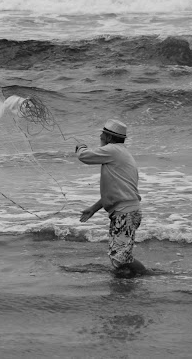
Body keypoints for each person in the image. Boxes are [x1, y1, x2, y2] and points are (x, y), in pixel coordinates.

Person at [75, 119, 147, 277]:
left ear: (109, 137)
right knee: (118, 257)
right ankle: (126, 280)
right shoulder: (121, 153)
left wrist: (80, 146)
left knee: (120, 258)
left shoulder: (113, 150)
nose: (100, 137)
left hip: (125, 213)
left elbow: (84, 156)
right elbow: (117, 192)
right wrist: (93, 209)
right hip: (126, 211)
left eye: (102, 134)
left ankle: (146, 276)